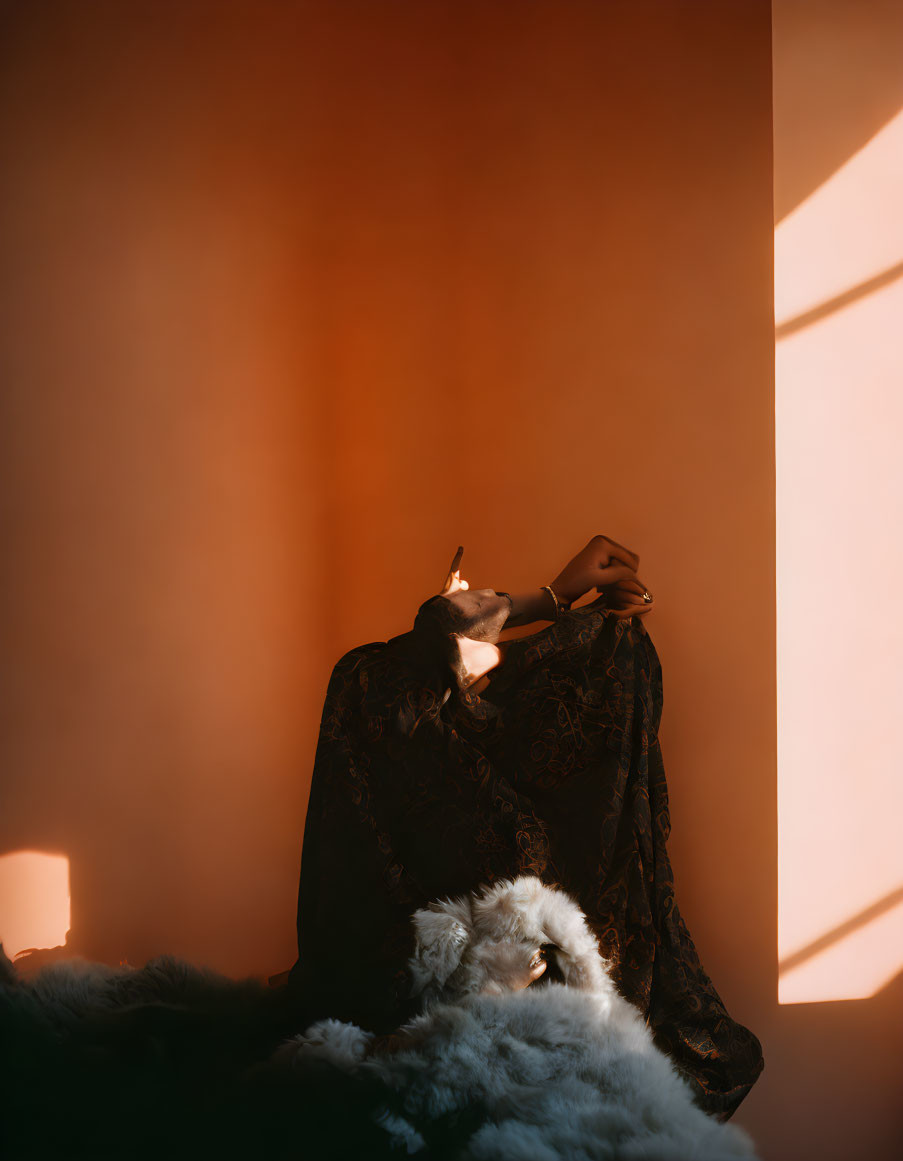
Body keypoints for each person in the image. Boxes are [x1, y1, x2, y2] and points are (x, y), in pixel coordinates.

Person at [287, 535, 764, 1120]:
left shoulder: (401, 721)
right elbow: (426, 652)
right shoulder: (382, 703)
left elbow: (433, 648)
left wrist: (541, 605)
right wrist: (549, 600)